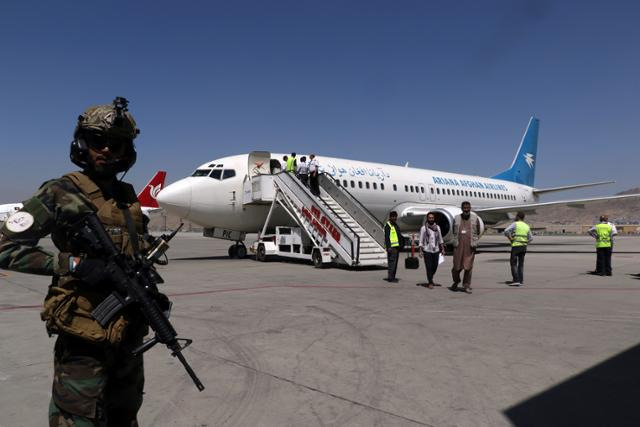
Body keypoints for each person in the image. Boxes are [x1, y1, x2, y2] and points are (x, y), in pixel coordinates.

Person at [0, 98, 152, 426]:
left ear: (127, 151)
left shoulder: (127, 198)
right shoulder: (60, 191)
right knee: (77, 419)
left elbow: (136, 253)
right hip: (84, 335)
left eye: (116, 144)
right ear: (82, 142)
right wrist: (72, 265)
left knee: (125, 416)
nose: (107, 151)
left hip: (127, 336)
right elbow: (5, 247)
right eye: (98, 141)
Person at [450, 201, 482, 293]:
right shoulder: (456, 218)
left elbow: (478, 231)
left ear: (470, 208)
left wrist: (473, 240)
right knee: (456, 267)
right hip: (458, 246)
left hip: (470, 246)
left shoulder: (475, 218)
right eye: (464, 208)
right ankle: (456, 281)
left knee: (468, 267)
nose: (466, 209)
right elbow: (453, 230)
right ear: (461, 208)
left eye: (468, 208)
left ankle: (466, 285)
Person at [504, 211, 532, 286]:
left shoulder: (515, 224)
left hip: (516, 246)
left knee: (513, 263)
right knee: (521, 264)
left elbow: (506, 231)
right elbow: (531, 238)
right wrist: (525, 243)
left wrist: (510, 239)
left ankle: (516, 280)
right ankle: (521, 280)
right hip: (523, 247)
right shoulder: (527, 226)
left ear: (518, 217)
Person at [418, 212, 445, 288]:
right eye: (429, 218)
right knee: (429, 267)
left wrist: (442, 249)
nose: (431, 219)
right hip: (427, 250)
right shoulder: (423, 228)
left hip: (436, 250)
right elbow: (421, 240)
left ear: (434, 218)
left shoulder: (437, 228)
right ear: (427, 218)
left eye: (432, 218)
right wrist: (420, 250)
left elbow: (440, 239)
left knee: (435, 266)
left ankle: (430, 278)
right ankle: (430, 282)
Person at [384, 211, 404, 283]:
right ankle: (390, 278)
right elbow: (387, 237)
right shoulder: (388, 226)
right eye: (393, 216)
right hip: (392, 248)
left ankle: (393, 277)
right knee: (392, 263)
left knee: (395, 263)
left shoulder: (395, 225)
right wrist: (388, 247)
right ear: (390, 217)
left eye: (395, 216)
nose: (394, 218)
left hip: (396, 247)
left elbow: (398, 235)